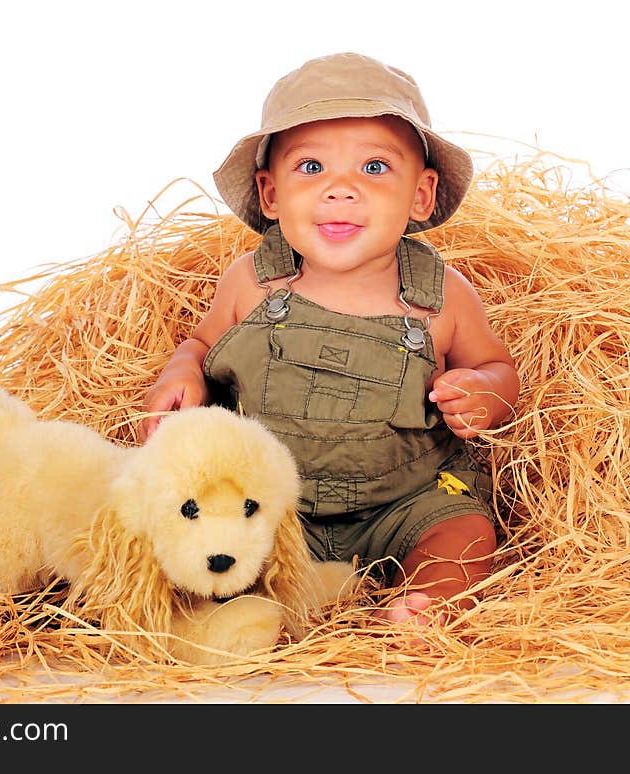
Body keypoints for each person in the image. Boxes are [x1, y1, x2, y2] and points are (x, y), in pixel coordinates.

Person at [140, 52, 519, 626]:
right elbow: (200, 344)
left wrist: (482, 392)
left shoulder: (440, 295)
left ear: (421, 193)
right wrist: (183, 372)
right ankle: (233, 616)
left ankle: (426, 605)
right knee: (193, 538)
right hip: (270, 505)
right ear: (271, 195)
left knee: (463, 531)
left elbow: (497, 367)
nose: (340, 191)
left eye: (373, 169)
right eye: (311, 168)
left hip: (409, 498)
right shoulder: (252, 283)